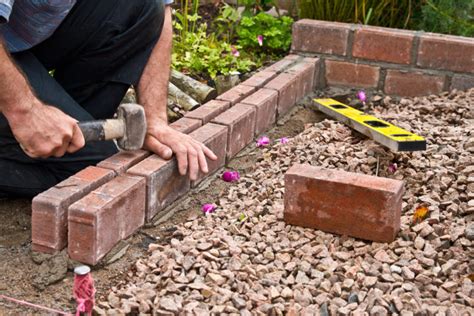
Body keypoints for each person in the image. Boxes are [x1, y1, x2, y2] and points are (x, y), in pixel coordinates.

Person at [0, 0, 216, 198]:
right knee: (90, 168)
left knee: (142, 5)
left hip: (21, 40)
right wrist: (26, 111)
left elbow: (161, 6)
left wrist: (155, 120)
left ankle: (44, 137)